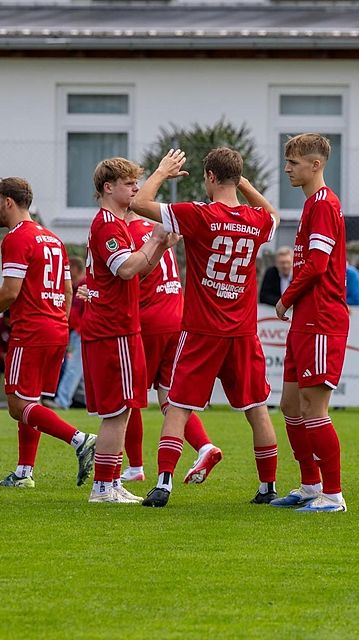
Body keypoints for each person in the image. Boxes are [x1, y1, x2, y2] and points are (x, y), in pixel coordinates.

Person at [131, 147, 280, 508]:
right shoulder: (254, 219)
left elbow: (141, 203)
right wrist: (244, 184)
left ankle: (164, 483)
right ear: (236, 178)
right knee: (257, 408)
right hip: (243, 332)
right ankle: (267, 487)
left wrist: (164, 172)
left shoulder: (199, 215)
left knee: (178, 406)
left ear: (210, 178)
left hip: (201, 329)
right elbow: (273, 215)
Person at [0, 177, 97, 489]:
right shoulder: (53, 239)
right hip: (55, 328)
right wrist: (60, 320)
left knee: (17, 405)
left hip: (31, 330)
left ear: (9, 203)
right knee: (31, 402)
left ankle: (80, 440)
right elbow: (68, 288)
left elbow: (10, 291)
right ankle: (24, 473)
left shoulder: (17, 238)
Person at [77, 157, 175, 504]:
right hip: (111, 328)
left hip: (121, 327)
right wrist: (154, 238)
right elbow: (126, 269)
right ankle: (103, 487)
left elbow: (140, 271)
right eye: (130, 184)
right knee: (117, 412)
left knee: (124, 409)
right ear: (109, 187)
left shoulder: (114, 222)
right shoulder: (106, 224)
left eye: (137, 184)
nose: (136, 190)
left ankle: (112, 481)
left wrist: (160, 244)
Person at [270, 133, 351, 513]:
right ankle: (308, 485)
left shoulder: (323, 204)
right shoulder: (312, 205)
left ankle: (333, 495)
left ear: (315, 165)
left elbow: (318, 266)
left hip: (321, 316)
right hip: (306, 317)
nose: (287, 169)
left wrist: (286, 297)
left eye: (294, 163)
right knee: (289, 404)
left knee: (314, 408)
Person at [122, 207, 221, 485]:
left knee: (130, 395)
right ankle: (205, 447)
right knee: (170, 398)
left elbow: (129, 274)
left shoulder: (124, 231)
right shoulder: (157, 226)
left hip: (149, 319)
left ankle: (135, 466)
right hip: (176, 314)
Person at [50, 257, 86, 410]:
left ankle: (62, 401)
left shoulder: (84, 286)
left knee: (73, 367)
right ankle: (89, 402)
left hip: (81, 333)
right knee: (81, 370)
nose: (66, 271)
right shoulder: (75, 286)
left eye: (69, 268)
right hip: (77, 332)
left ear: (76, 269)